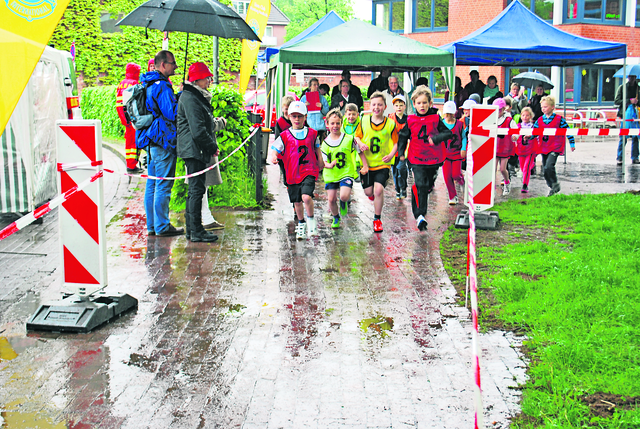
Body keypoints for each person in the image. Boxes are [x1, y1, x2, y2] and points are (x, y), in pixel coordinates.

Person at [177, 62, 226, 243]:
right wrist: (212, 147)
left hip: (192, 149)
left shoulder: (191, 96)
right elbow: (198, 130)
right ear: (198, 79)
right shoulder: (191, 98)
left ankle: (193, 229)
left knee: (195, 190)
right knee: (196, 190)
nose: (209, 81)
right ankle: (196, 231)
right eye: (207, 78)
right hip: (194, 150)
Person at [137, 50, 183, 237]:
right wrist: (179, 96)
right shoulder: (162, 86)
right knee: (163, 184)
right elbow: (171, 113)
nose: (175, 66)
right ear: (163, 65)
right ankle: (162, 226)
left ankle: (152, 226)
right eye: (172, 63)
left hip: (150, 138)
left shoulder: (147, 83)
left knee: (153, 184)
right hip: (162, 139)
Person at [397, 86, 452, 231]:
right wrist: (401, 152)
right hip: (416, 158)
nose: (422, 106)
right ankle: (420, 216)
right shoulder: (411, 120)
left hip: (433, 159)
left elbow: (448, 133)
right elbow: (403, 136)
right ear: (414, 104)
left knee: (426, 186)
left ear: (430, 103)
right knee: (420, 184)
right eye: (419, 103)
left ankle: (421, 203)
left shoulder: (435, 118)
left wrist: (436, 138)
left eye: (425, 103)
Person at [269, 101, 324, 240]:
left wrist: (321, 161)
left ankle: (311, 219)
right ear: (289, 116)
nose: (297, 119)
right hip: (292, 173)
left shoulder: (312, 133)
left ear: (305, 117)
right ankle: (301, 223)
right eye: (294, 116)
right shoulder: (285, 135)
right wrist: (274, 157)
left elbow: (317, 147)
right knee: (297, 201)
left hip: (308, 170)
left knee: (306, 196)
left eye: (300, 116)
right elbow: (275, 149)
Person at [354, 91, 398, 233]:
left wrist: (391, 155)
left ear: (385, 106)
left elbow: (397, 143)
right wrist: (360, 144)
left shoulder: (391, 124)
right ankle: (373, 195)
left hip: (382, 163)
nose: (376, 107)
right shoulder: (364, 120)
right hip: (367, 163)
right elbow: (357, 137)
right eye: (374, 104)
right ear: (369, 105)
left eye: (380, 104)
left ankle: (377, 218)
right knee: (369, 192)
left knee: (379, 190)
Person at [321, 109, 366, 229]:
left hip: (346, 171)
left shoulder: (349, 139)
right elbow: (323, 161)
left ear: (342, 123)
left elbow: (360, 151)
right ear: (327, 124)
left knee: (344, 196)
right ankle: (336, 217)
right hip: (331, 174)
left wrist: (364, 165)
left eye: (337, 123)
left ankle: (343, 202)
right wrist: (329, 165)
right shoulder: (325, 144)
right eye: (332, 123)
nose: (335, 126)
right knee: (331, 200)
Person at [534, 96, 575, 196]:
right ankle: (552, 185)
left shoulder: (559, 120)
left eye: (546, 107)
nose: (543, 109)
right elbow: (534, 132)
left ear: (552, 107)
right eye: (542, 107)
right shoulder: (539, 120)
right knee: (545, 169)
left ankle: (555, 183)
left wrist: (572, 143)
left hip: (555, 147)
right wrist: (528, 137)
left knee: (549, 166)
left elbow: (568, 130)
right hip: (544, 147)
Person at [115, 62, 143, 174]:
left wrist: (124, 119)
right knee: (135, 143)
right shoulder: (135, 84)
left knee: (129, 142)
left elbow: (119, 104)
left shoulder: (121, 84)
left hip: (126, 119)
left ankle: (129, 163)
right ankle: (132, 165)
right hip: (134, 119)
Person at [441, 101, 465, 205]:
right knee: (447, 176)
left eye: (451, 114)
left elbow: (463, 137)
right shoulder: (441, 124)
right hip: (445, 154)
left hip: (456, 154)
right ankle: (452, 196)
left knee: (455, 174)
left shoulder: (459, 124)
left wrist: (463, 148)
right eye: (447, 114)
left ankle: (462, 180)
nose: (449, 116)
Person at [493, 98, 518, 195]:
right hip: (495, 147)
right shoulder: (492, 118)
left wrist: (515, 136)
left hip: (505, 147)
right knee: (493, 169)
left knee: (503, 169)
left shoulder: (508, 120)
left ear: (503, 109)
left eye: (500, 109)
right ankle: (493, 188)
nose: (498, 112)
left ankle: (507, 182)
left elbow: (515, 129)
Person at [614, 74, 639, 165]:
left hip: (636, 116)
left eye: (633, 77)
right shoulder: (622, 88)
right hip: (625, 115)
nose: (632, 78)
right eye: (630, 77)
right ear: (628, 77)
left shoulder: (638, 89)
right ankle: (620, 157)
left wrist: (637, 102)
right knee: (623, 136)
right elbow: (617, 101)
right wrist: (629, 100)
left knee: (636, 136)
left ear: (635, 77)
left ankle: (635, 157)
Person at [388, 94, 408, 199]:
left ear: (404, 106)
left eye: (401, 105)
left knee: (402, 169)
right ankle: (398, 190)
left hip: (403, 150)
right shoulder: (390, 118)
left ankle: (403, 188)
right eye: (396, 105)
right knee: (394, 171)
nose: (399, 107)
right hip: (392, 150)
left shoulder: (408, 119)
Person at [514, 107, 537, 193]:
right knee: (523, 167)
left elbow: (536, 136)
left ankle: (525, 185)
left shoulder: (533, 126)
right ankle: (532, 165)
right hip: (520, 149)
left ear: (531, 116)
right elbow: (515, 135)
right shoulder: (518, 126)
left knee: (526, 168)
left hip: (530, 149)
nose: (525, 117)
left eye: (527, 115)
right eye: (523, 115)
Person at [301, 78, 329, 142]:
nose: (316, 86)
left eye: (317, 85)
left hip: (321, 128)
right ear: (310, 87)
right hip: (309, 127)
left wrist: (322, 107)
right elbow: (300, 113)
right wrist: (304, 106)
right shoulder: (304, 98)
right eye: (314, 85)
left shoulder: (322, 98)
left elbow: (327, 113)